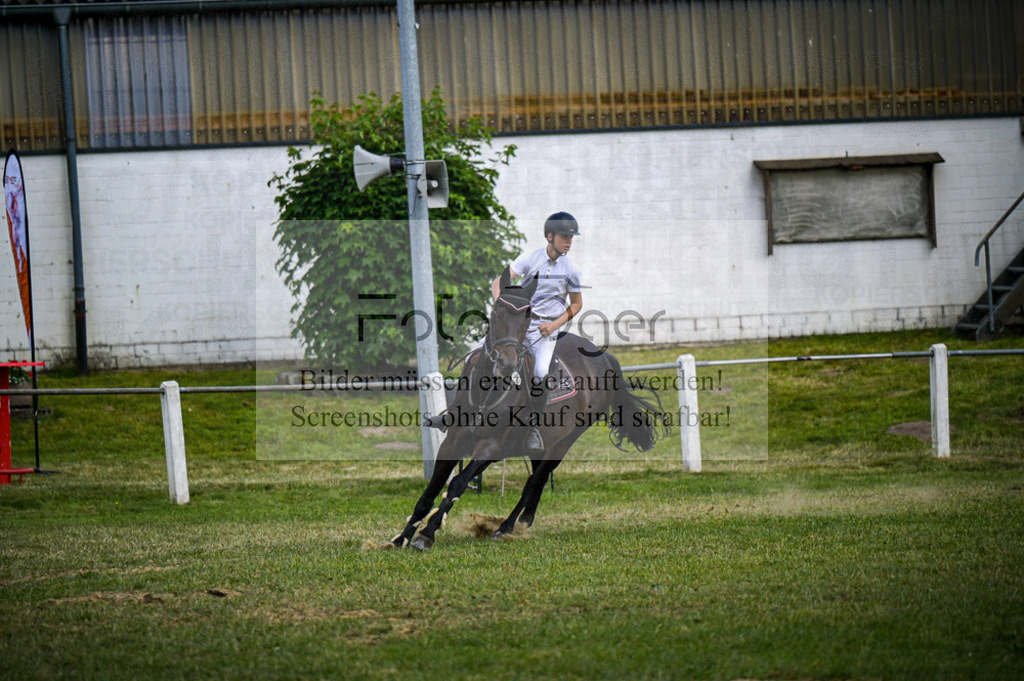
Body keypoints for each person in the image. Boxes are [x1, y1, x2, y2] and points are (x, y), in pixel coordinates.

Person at [493, 212, 583, 452]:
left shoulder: (572, 269)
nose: (569, 241)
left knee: (540, 372)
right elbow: (497, 283)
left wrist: (554, 326)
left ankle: (532, 428)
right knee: (479, 353)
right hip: (518, 324)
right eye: (565, 236)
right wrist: (502, 308)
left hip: (546, 330)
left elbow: (576, 305)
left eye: (571, 237)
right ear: (550, 236)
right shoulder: (529, 258)